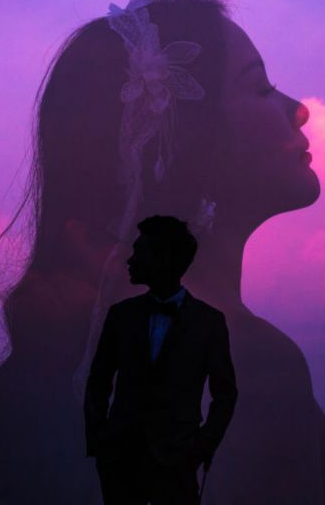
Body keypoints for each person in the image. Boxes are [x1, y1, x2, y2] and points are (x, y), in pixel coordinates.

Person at [0, 0, 325, 504]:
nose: (299, 111)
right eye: (259, 87)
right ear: (194, 144)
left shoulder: (97, 365)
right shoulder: (253, 366)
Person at [84, 216, 238, 505]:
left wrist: (201, 447)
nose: (130, 260)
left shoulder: (209, 322)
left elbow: (225, 393)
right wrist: (101, 440)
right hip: (120, 460)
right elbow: (98, 381)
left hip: (177, 461)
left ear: (164, 259)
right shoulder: (121, 315)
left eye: (139, 251)